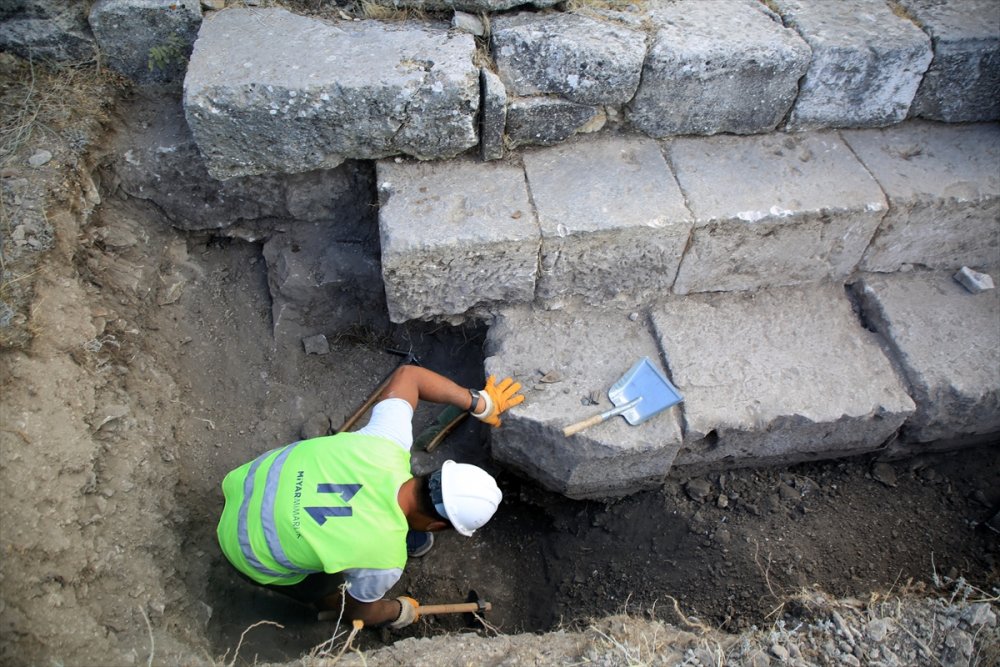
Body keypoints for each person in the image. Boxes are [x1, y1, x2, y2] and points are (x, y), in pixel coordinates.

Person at [215, 365, 525, 629]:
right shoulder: (384, 559)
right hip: (243, 547)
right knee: (331, 586)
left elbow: (409, 375)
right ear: (436, 526)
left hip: (244, 481)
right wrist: (399, 611)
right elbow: (361, 612)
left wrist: (479, 403)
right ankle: (319, 603)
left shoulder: (387, 443)